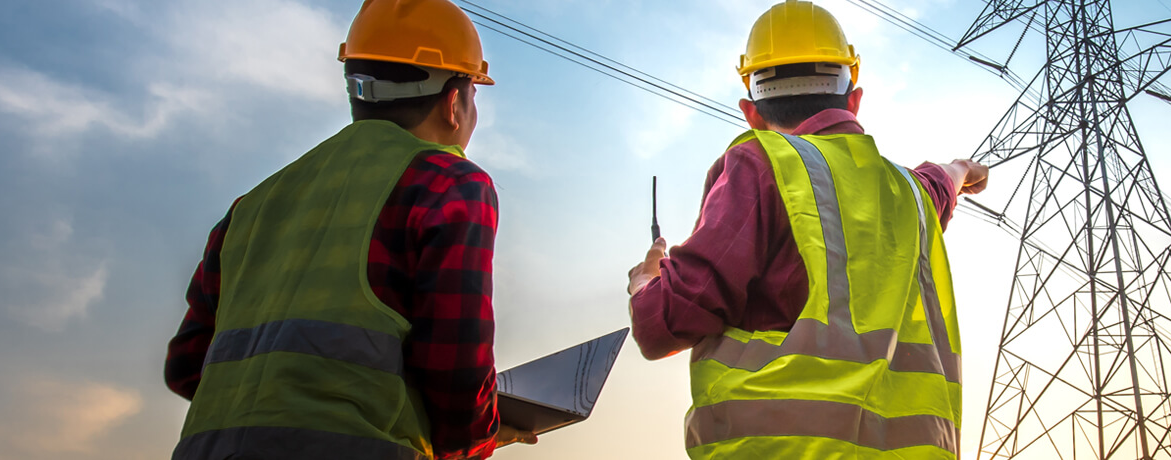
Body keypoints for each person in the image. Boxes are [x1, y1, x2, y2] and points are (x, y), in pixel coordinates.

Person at [163, 1, 534, 458]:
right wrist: (482, 435)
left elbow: (187, 366)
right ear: (454, 103)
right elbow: (455, 372)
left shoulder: (251, 206)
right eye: (474, 94)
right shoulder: (449, 185)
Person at [625, 1, 991, 458]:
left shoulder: (760, 165)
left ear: (750, 112)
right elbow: (939, 182)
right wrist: (961, 168)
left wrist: (646, 281)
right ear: (854, 99)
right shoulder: (910, 196)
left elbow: (665, 324)